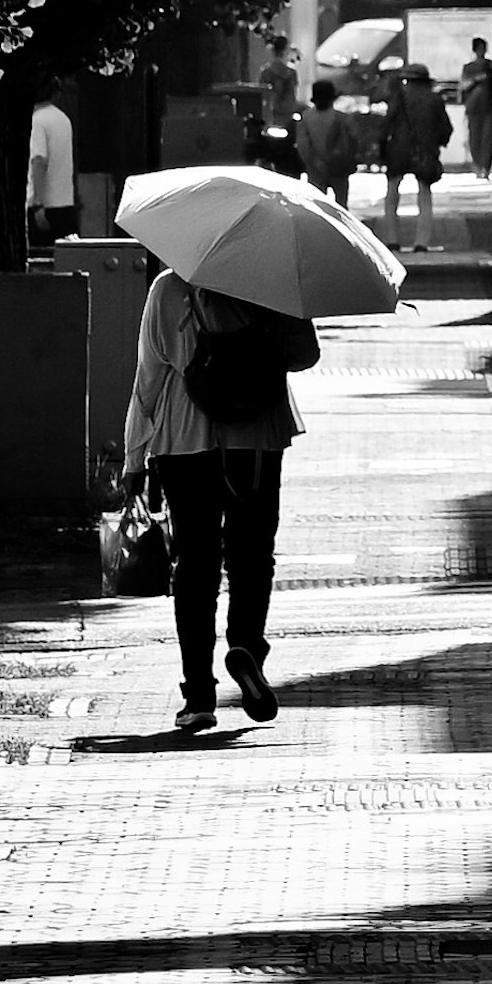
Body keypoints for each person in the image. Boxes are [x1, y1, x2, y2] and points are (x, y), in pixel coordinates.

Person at [119, 263, 313, 734]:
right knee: (253, 553)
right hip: (257, 435)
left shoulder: (168, 289)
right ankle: (246, 644)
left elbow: (149, 375)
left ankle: (199, 695)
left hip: (185, 437)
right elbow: (304, 355)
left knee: (196, 560)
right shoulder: (272, 280)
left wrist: (133, 458)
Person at [378, 58, 451, 241]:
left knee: (392, 193)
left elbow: (386, 124)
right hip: (425, 150)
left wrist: (381, 147)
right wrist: (438, 142)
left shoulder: (400, 97)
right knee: (424, 195)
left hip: (398, 149)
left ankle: (392, 239)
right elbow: (446, 128)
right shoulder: (434, 99)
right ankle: (422, 242)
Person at [23, 80, 78, 257]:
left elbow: (38, 160)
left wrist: (38, 204)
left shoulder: (37, 120)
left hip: (43, 207)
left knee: (38, 263)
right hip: (65, 203)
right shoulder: (63, 119)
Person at [295, 77, 362, 208]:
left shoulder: (306, 117)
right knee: (341, 206)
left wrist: (315, 163)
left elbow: (303, 146)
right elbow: (355, 138)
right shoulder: (342, 118)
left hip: (315, 170)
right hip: (339, 166)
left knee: (317, 207)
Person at [456, 43, 492, 202]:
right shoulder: (470, 67)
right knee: (477, 137)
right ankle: (479, 166)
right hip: (476, 106)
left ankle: (484, 167)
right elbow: (464, 85)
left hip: (489, 106)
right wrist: (477, 79)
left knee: (487, 138)